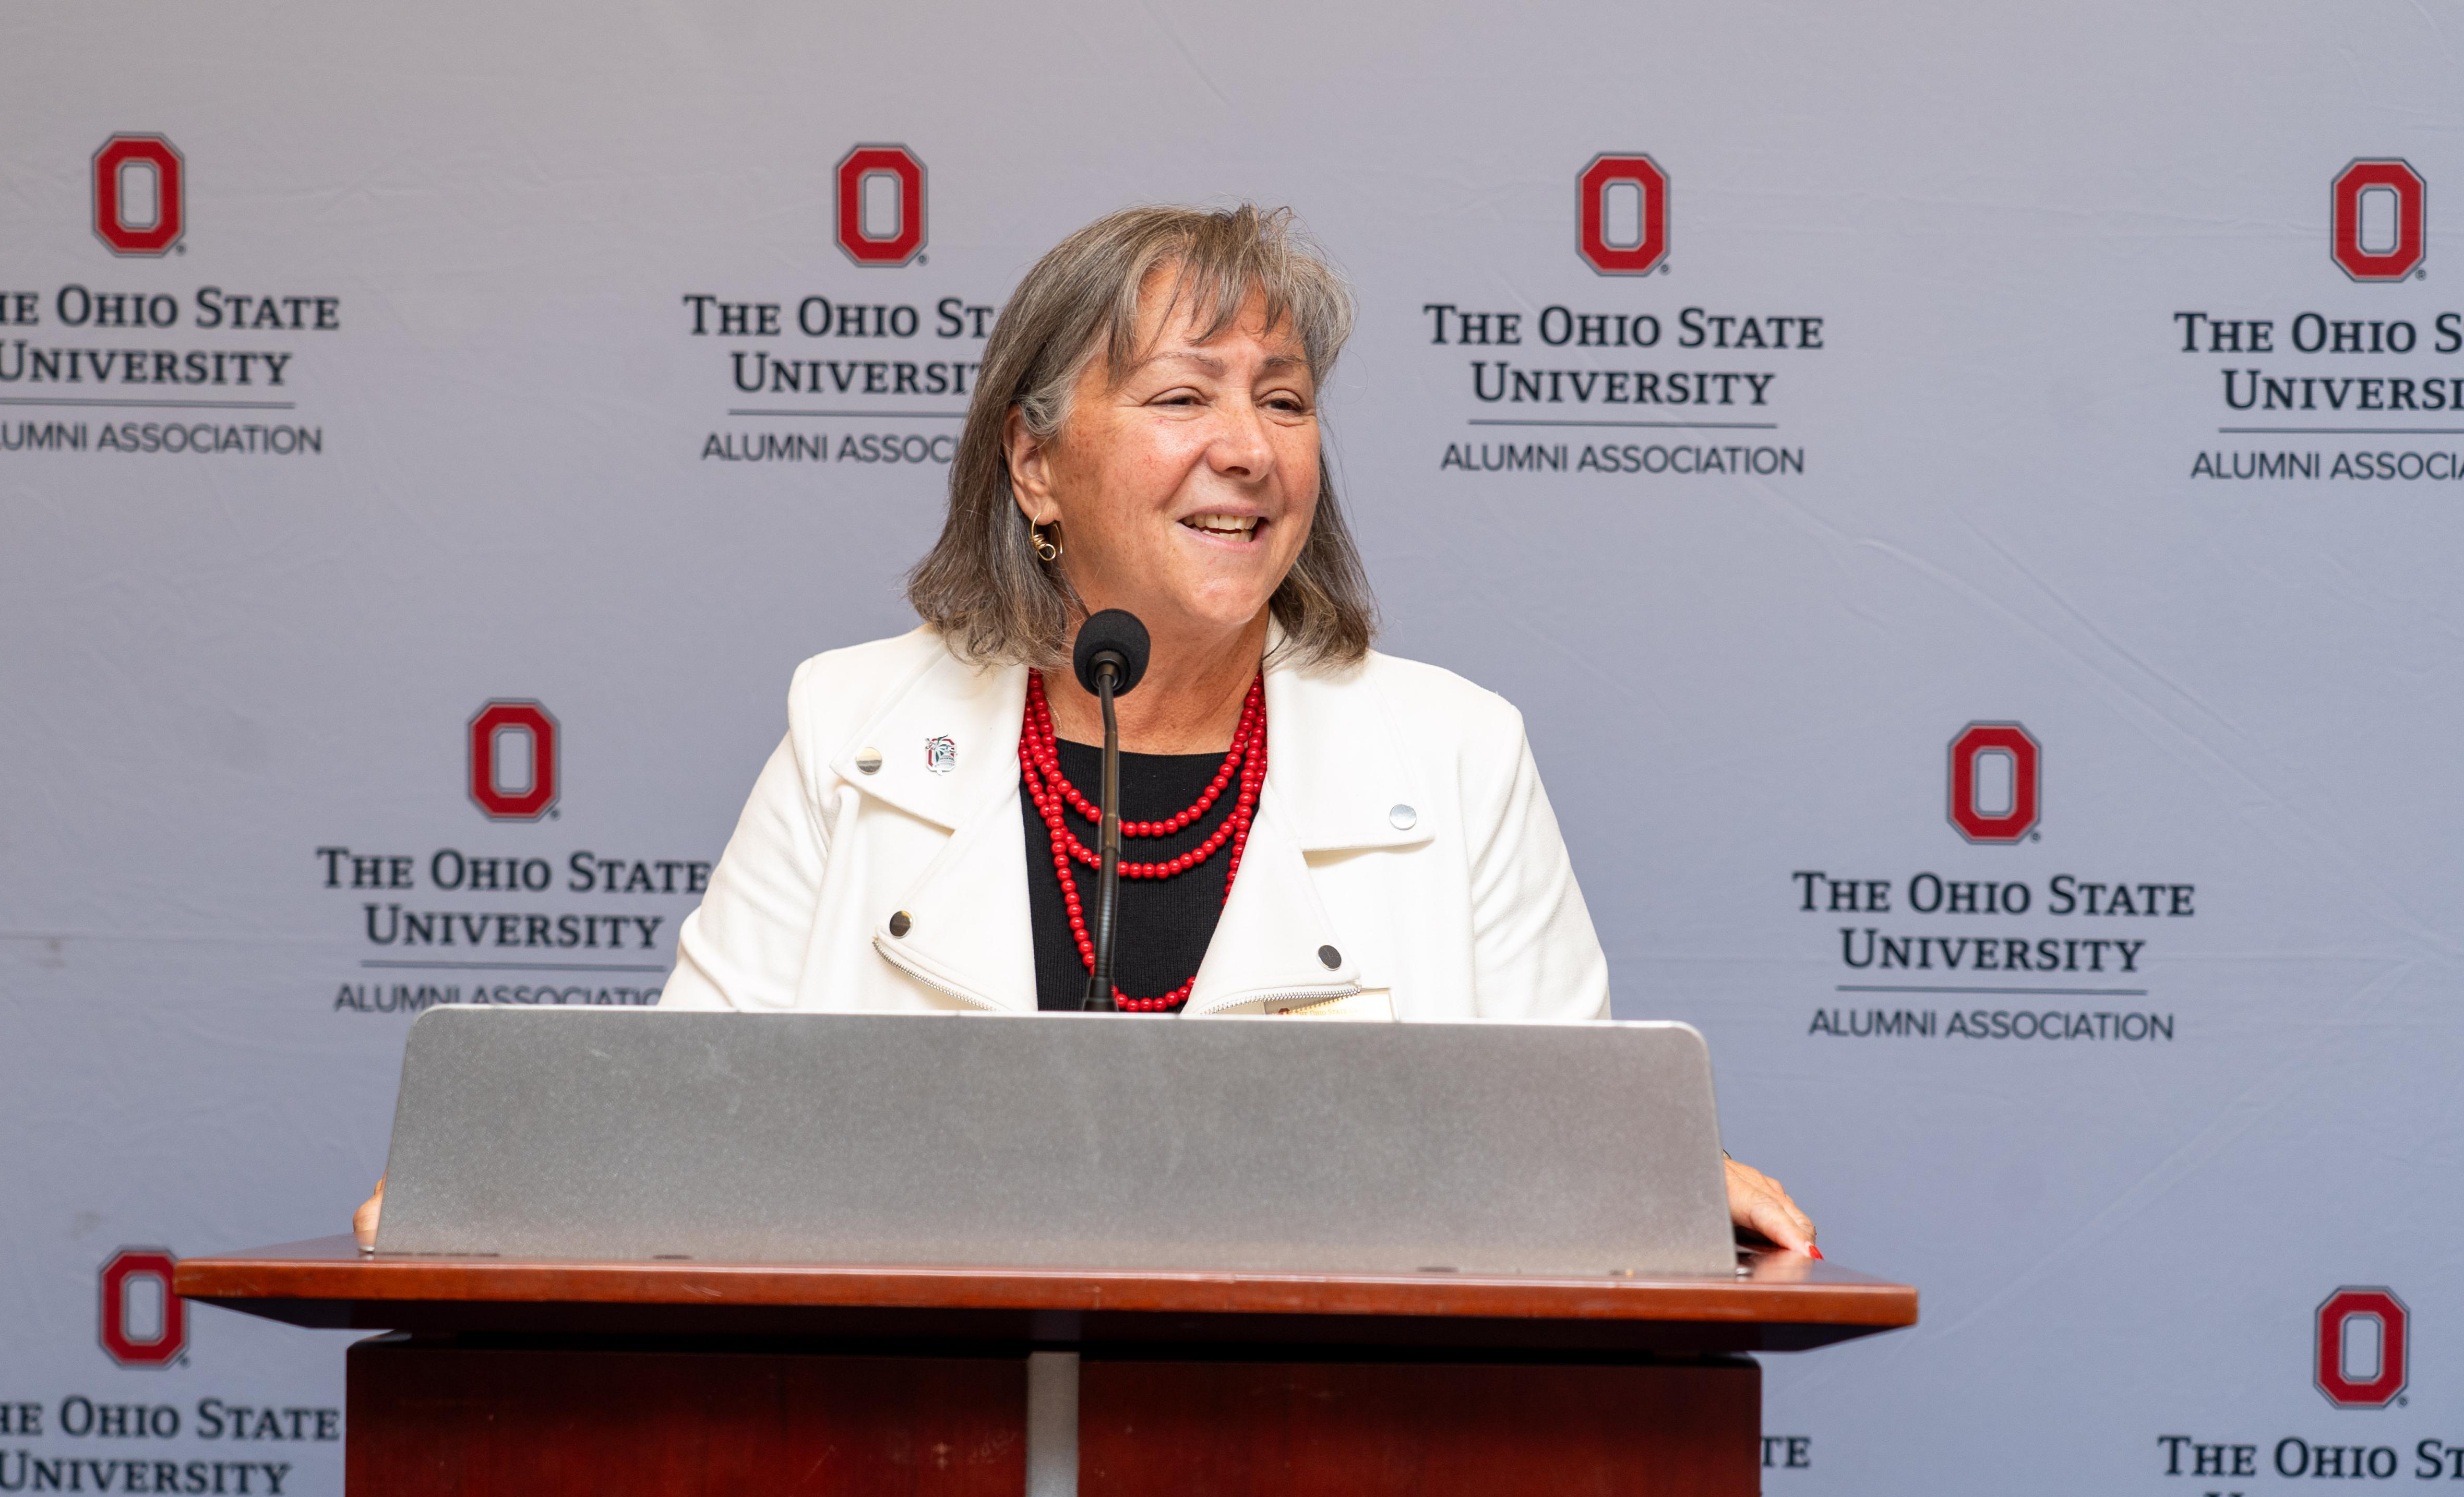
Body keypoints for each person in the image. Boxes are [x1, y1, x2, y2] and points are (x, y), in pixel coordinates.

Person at [355, 204, 1816, 1255]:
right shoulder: (855, 725)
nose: (1247, 449)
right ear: (1037, 465)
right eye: (1183, 397)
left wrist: (1659, 1179)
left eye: (1287, 402)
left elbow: (1569, 1137)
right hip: (913, 1444)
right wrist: (495, 1193)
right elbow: (691, 1110)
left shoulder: (1454, 750)